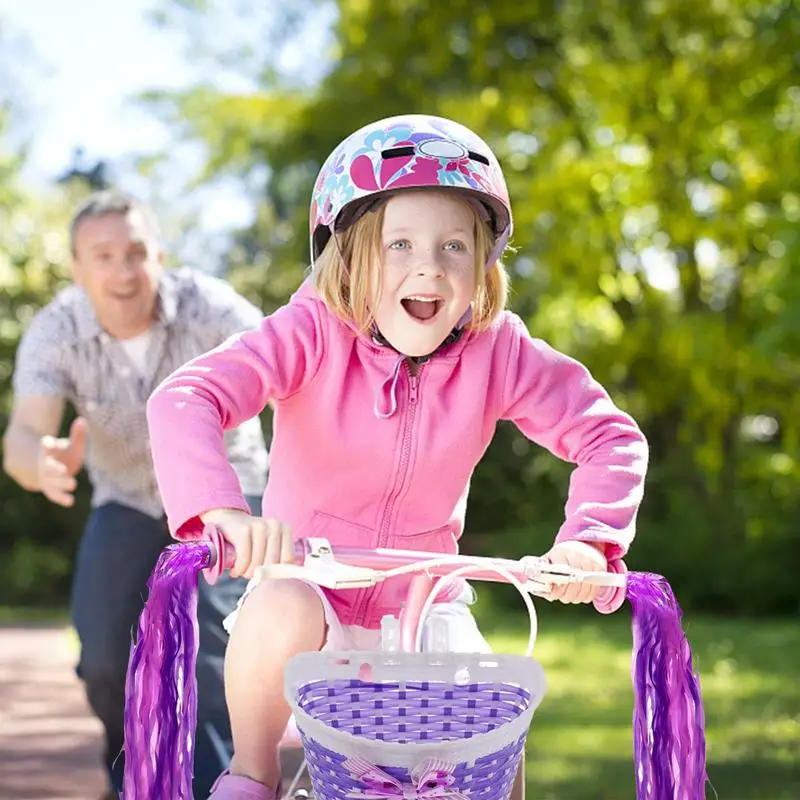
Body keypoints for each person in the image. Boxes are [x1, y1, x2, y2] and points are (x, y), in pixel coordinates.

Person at [144, 114, 649, 800]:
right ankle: (252, 773)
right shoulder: (312, 331)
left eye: (453, 247)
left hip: (424, 601)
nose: (427, 267)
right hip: (312, 593)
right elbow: (186, 398)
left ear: (483, 262)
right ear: (349, 255)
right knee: (279, 604)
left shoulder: (498, 349)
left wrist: (589, 544)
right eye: (399, 243)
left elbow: (608, 436)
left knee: (494, 718)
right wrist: (223, 515)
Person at [1, 191, 270, 799]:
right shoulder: (56, 331)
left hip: (224, 496)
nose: (123, 271)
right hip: (126, 499)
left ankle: (212, 787)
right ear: (76, 267)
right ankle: (132, 775)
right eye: (104, 256)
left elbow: (295, 369)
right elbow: (22, 434)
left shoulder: (210, 308)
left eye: (137, 253)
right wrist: (38, 465)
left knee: (208, 659)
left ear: (160, 256)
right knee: (101, 658)